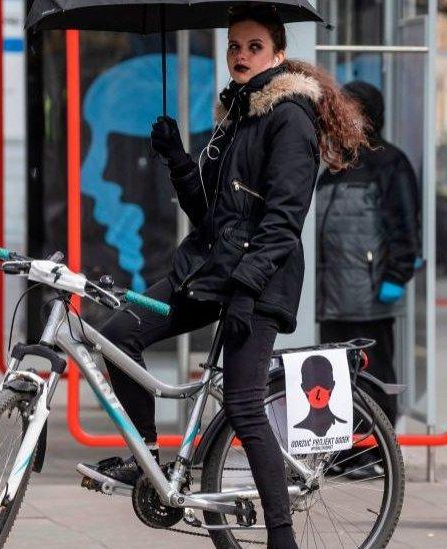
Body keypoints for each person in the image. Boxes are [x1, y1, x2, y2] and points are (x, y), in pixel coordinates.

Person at [87, 6, 366, 547]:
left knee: (242, 404)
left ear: (278, 55)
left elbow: (285, 220)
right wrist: (176, 159)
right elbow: (211, 215)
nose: (240, 55)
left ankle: (282, 537)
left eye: (253, 46)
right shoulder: (237, 115)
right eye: (234, 46)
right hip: (210, 270)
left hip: (259, 280)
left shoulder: (289, 118)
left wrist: (245, 290)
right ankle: (147, 464)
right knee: (120, 334)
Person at [315, 81, 419, 433]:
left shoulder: (389, 162)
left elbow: (405, 226)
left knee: (373, 376)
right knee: (334, 377)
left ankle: (377, 449)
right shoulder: (333, 167)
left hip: (370, 295)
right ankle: (347, 451)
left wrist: (396, 276)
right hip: (331, 297)